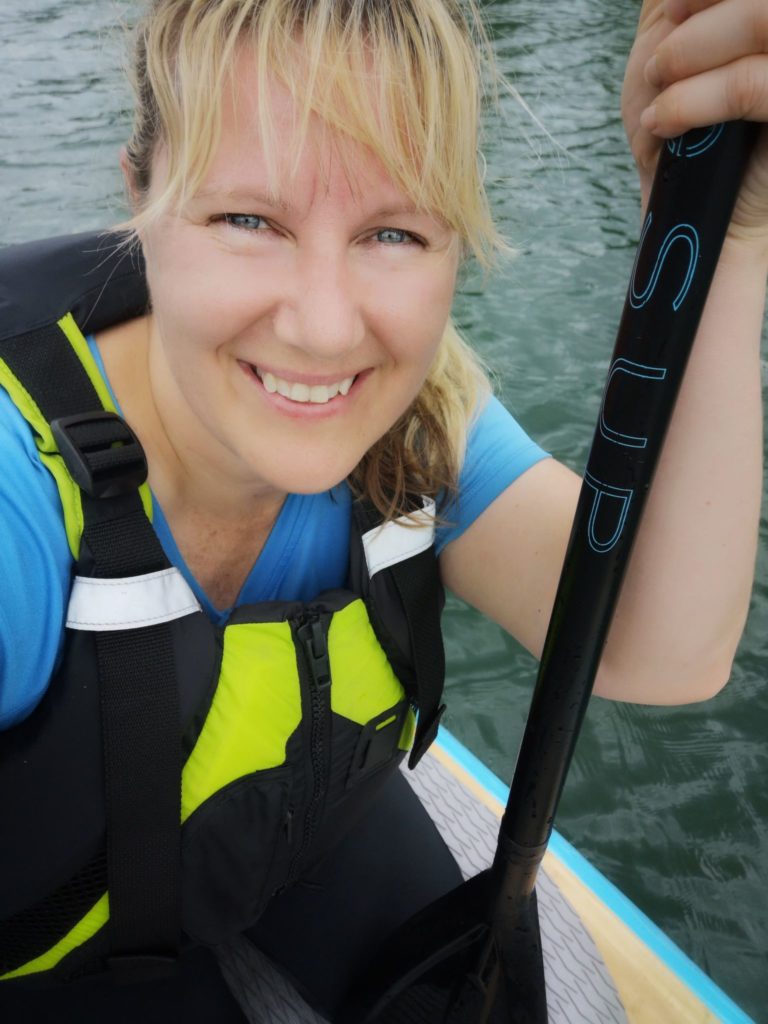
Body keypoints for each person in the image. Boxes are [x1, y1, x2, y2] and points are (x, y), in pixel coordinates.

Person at [0, 0, 764, 1020]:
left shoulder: (420, 413)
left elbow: (662, 649)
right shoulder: (21, 493)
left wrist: (735, 242)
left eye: (393, 231)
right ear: (139, 193)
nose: (323, 326)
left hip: (299, 838)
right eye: (248, 220)